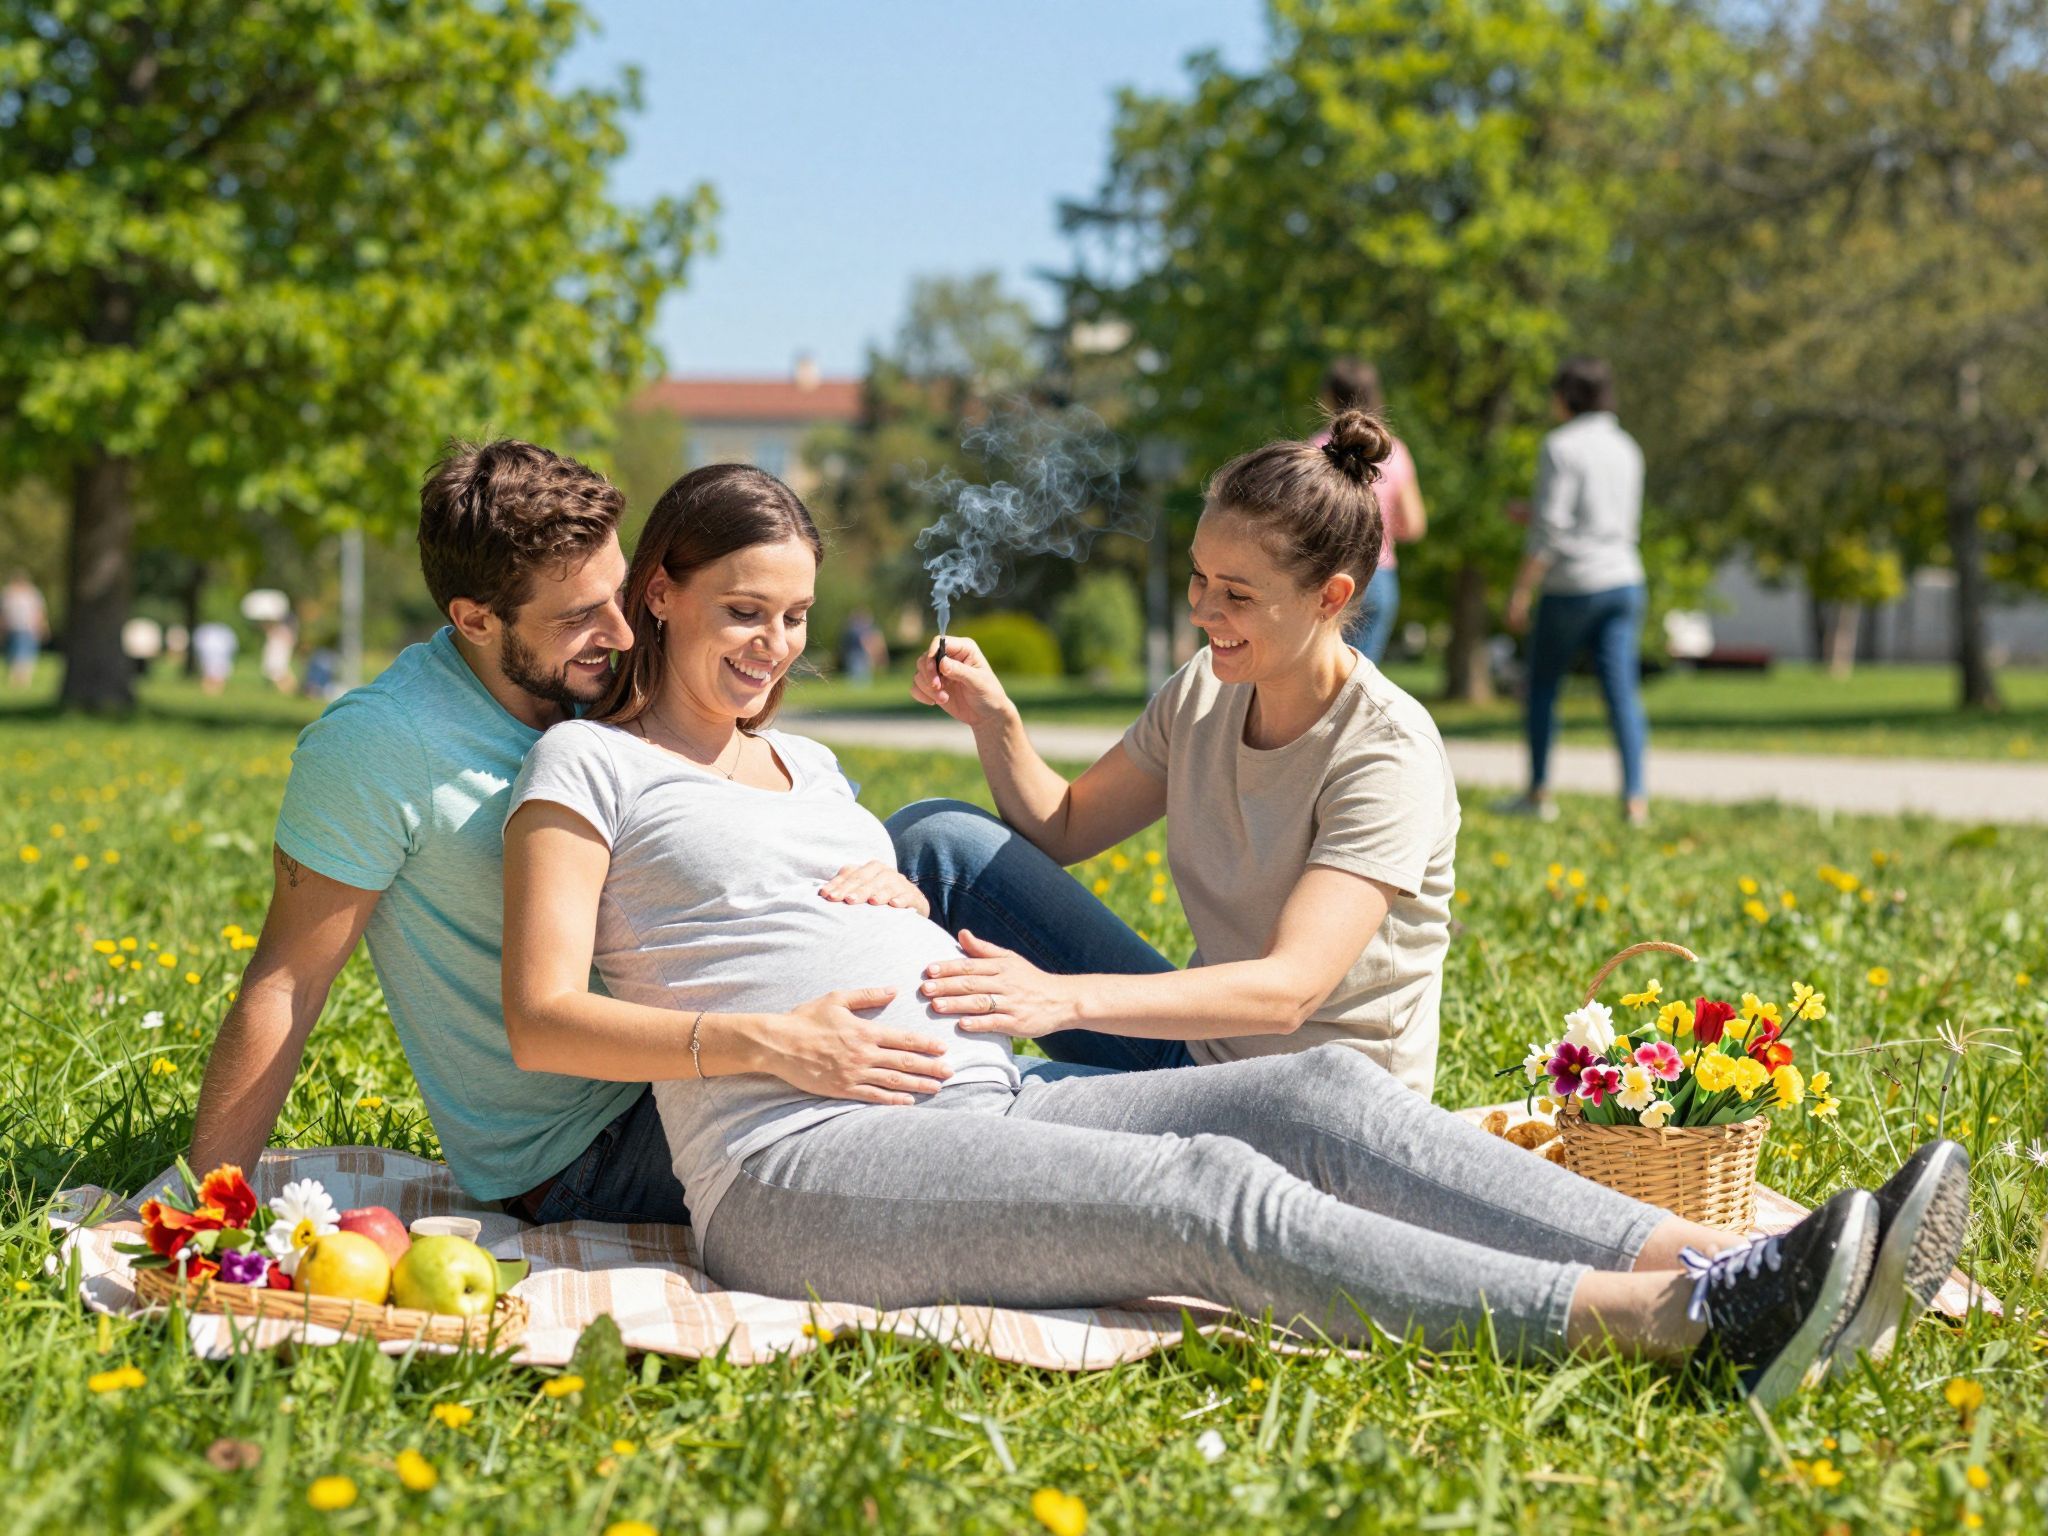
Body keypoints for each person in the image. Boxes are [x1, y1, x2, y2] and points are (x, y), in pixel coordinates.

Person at [501, 460, 1970, 1404]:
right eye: (742, 612)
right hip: (796, 1169)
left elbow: (801, 898)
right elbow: (542, 1015)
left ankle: (1723, 1256)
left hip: (986, 1087)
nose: (770, 648)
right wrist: (758, 1032)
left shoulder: (811, 768)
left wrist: (885, 888)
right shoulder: (589, 767)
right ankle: (1672, 1324)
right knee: (1206, 1191)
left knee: (1317, 1091)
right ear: (661, 592)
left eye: (798, 619)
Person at [186, 440, 953, 1225]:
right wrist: (207, 1214)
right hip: (595, 1142)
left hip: (717, 1054)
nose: (622, 634)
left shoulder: (601, 689)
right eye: (581, 617)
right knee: (957, 1133)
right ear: (475, 619)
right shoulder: (382, 747)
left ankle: (1079, 1031)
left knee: (938, 846)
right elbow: (288, 983)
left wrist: (875, 870)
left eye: (618, 595)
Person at [888, 410, 1458, 1097]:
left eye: (1237, 594)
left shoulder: (1387, 753)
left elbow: (1289, 992)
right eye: (1200, 578)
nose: (1202, 610)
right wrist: (993, 719)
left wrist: (1057, 999)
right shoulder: (1206, 690)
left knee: (947, 1083)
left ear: (1329, 597)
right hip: (1193, 1057)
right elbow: (1065, 826)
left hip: (1311, 1112)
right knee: (938, 841)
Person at [1501, 358, 1651, 827]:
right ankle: (1635, 800)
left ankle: (1539, 793)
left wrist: (1521, 591)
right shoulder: (1628, 448)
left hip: (1574, 586)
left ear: (1568, 396)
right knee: (1621, 692)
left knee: (1543, 686)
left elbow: (1551, 531)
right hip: (1624, 579)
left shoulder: (1560, 446)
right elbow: (1601, 516)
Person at [1319, 359, 1428, 663]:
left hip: (1325, 576)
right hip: (1378, 574)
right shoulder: (1393, 451)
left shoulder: (1313, 450)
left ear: (1328, 397)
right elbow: (1414, 525)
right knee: (1361, 683)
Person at [3, 570, 49, 689]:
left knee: (25, 653)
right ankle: (17, 679)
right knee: (16, 653)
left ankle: (22, 680)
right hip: (14, 627)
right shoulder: (8, 594)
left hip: (28, 628)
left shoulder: (32, 594)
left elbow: (38, 612)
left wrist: (41, 626)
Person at [191, 620, 239, 695]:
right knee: (210, 673)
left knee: (216, 673)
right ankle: (210, 691)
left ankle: (214, 691)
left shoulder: (220, 633)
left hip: (217, 657)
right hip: (212, 656)